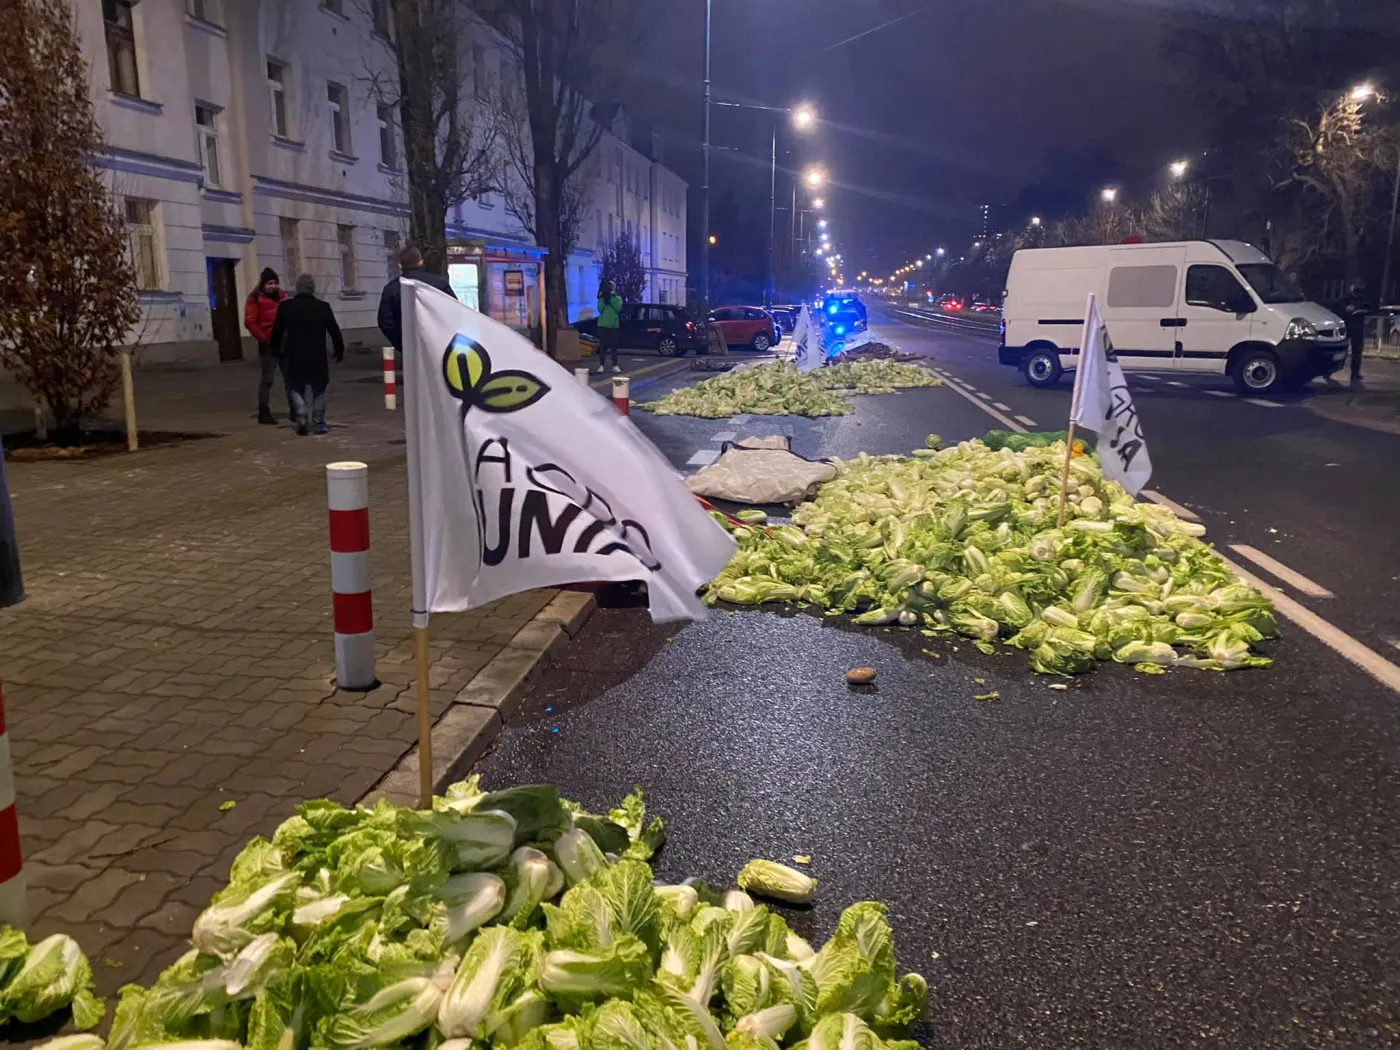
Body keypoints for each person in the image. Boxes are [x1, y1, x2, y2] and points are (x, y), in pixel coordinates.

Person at [269, 274, 345, 435]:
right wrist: (339, 349)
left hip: (294, 355)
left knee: (295, 387)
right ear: (313, 288)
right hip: (317, 356)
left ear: (298, 288)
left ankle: (302, 416)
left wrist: (274, 350)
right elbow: (334, 331)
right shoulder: (323, 307)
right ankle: (318, 423)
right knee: (319, 390)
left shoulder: (286, 307)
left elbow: (277, 332)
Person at [377, 246, 456, 353]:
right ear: (421, 261)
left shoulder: (391, 289)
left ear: (400, 265)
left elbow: (385, 321)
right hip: (438, 346)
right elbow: (454, 312)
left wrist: (401, 343)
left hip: (409, 348)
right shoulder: (440, 284)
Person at [243, 267, 290, 424]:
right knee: (268, 378)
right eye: (270, 283)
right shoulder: (255, 298)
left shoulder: (282, 296)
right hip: (268, 343)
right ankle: (264, 412)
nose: (273, 286)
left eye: (275, 283)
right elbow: (250, 321)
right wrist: (264, 339)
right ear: (263, 284)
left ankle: (296, 410)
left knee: (290, 376)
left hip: (285, 341)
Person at [1339, 284, 1369, 387]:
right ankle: (1331, 370)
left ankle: (1355, 373)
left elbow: (1369, 309)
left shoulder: (1362, 300)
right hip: (1348, 327)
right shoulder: (1346, 300)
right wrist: (1346, 309)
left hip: (1358, 328)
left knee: (1357, 352)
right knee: (1342, 350)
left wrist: (1363, 311)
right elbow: (1338, 309)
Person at [595, 279, 623, 374]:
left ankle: (615, 365)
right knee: (602, 347)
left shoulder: (617, 298)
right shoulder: (602, 298)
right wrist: (602, 298)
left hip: (614, 326)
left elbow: (617, 308)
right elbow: (600, 309)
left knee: (614, 347)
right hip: (602, 325)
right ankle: (601, 365)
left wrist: (610, 297)